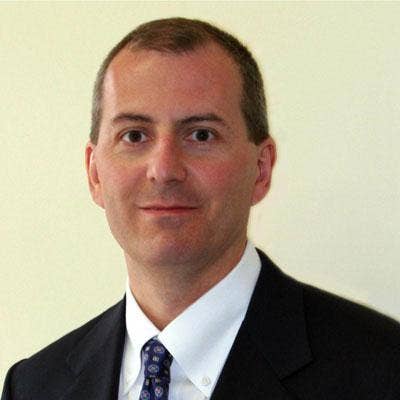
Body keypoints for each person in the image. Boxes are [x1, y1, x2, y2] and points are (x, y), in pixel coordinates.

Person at [2, 17, 400, 400]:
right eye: (135, 135)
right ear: (94, 173)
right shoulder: (34, 386)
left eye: (201, 135)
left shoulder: (383, 370)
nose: (164, 170)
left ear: (261, 169)